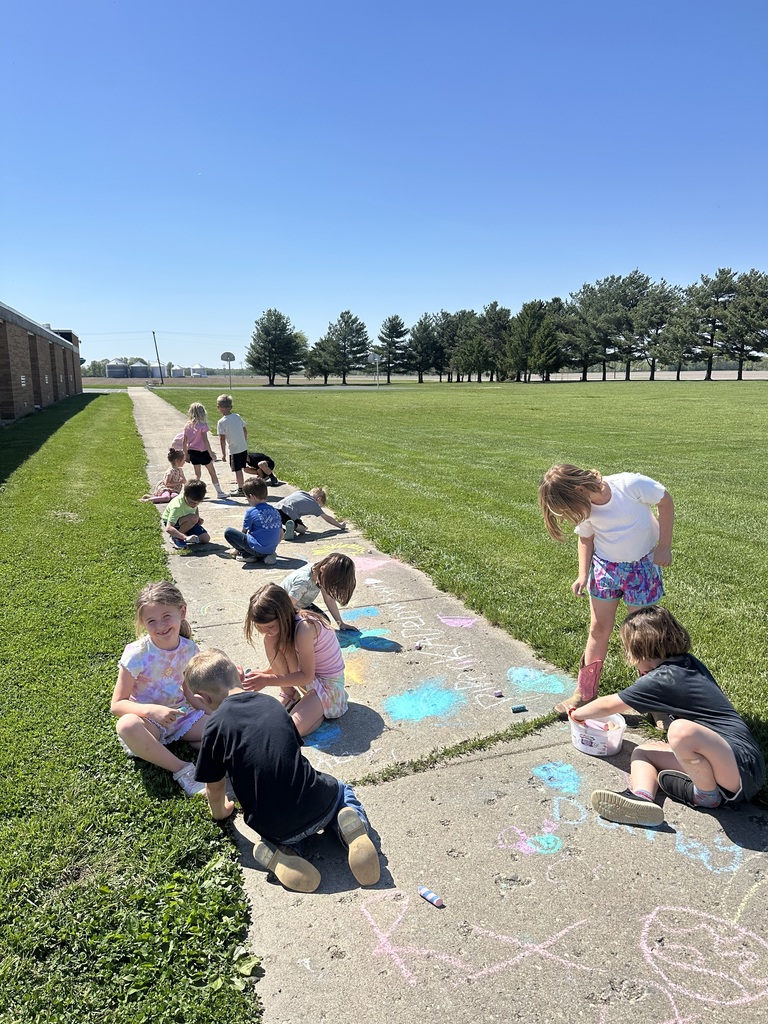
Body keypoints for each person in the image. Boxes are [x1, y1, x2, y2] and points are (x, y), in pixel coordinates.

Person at [186, 649, 380, 893]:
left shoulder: (214, 727)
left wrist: (221, 812)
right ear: (238, 672)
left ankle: (281, 853)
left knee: (280, 835)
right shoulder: (272, 705)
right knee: (341, 792)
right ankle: (348, 824)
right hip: (318, 801)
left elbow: (214, 787)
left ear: (202, 698)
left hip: (275, 826)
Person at [574, 606, 766, 827]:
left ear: (639, 651)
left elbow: (610, 704)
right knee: (643, 752)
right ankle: (641, 796)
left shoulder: (663, 678)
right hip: (740, 769)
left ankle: (705, 795)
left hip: (739, 766)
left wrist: (577, 713)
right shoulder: (687, 663)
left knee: (680, 731)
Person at [539, 464, 674, 716]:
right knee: (598, 628)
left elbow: (665, 501)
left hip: (642, 567)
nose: (575, 514)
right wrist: (582, 574)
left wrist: (664, 546)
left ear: (580, 489)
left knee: (644, 633)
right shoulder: (586, 509)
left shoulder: (630, 485)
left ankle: (654, 702)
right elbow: (586, 539)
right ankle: (585, 692)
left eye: (571, 507)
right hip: (605, 570)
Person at [111, 581, 207, 797]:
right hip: (149, 722)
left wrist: (215, 716)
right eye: (152, 621)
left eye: (166, 616)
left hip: (181, 716)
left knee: (221, 728)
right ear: (143, 623)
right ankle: (182, 769)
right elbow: (117, 704)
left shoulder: (189, 649)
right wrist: (151, 711)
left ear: (181, 611)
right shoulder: (137, 653)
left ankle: (187, 742)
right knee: (126, 726)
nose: (161, 626)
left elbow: (189, 691)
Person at [242, 583, 348, 736]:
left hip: (329, 689)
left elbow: (306, 675)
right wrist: (262, 674)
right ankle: (290, 694)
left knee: (286, 732)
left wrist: (267, 680)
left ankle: (319, 710)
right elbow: (293, 661)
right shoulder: (287, 626)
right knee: (271, 640)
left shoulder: (304, 628)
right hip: (311, 682)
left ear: (284, 615)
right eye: (260, 627)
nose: (266, 631)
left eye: (270, 626)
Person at [279, 553, 357, 630]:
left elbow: (329, 599)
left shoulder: (320, 573)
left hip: (300, 604)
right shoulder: (303, 582)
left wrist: (341, 623)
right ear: (322, 569)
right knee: (311, 627)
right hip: (285, 607)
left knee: (324, 622)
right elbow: (286, 606)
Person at [223, 477, 281, 564]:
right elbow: (281, 534)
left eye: (247, 498)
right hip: (270, 549)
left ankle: (247, 555)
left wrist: (237, 550)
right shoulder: (275, 511)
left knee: (228, 532)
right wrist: (271, 547)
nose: (248, 501)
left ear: (252, 497)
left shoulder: (251, 511)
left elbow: (243, 533)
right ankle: (268, 555)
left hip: (256, 549)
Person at [183, 402, 225, 498]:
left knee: (197, 474)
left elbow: (184, 442)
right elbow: (205, 441)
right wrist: (211, 454)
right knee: (212, 472)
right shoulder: (202, 425)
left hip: (192, 451)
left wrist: (186, 454)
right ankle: (219, 492)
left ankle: (193, 492)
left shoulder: (187, 425)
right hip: (203, 452)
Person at [277, 487, 346, 540]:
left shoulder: (300, 492)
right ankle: (291, 527)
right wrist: (340, 526)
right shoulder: (314, 504)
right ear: (319, 499)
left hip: (276, 509)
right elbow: (327, 518)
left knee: (278, 522)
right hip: (288, 514)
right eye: (320, 504)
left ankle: (280, 530)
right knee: (303, 530)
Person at [216, 394, 249, 497]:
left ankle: (241, 489)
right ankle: (242, 485)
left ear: (218, 408)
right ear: (231, 407)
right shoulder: (237, 416)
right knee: (242, 468)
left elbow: (222, 438)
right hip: (242, 446)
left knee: (237, 469)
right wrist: (244, 440)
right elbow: (244, 430)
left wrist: (223, 453)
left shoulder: (221, 422)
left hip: (234, 449)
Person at [162, 478, 211, 548]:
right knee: (193, 518)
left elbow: (195, 507)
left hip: (187, 520)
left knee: (205, 539)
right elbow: (169, 528)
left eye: (197, 503)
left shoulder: (192, 500)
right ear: (185, 495)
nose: (194, 505)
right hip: (173, 523)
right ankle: (175, 537)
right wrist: (185, 537)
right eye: (192, 502)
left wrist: (198, 518)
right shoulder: (177, 507)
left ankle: (184, 533)